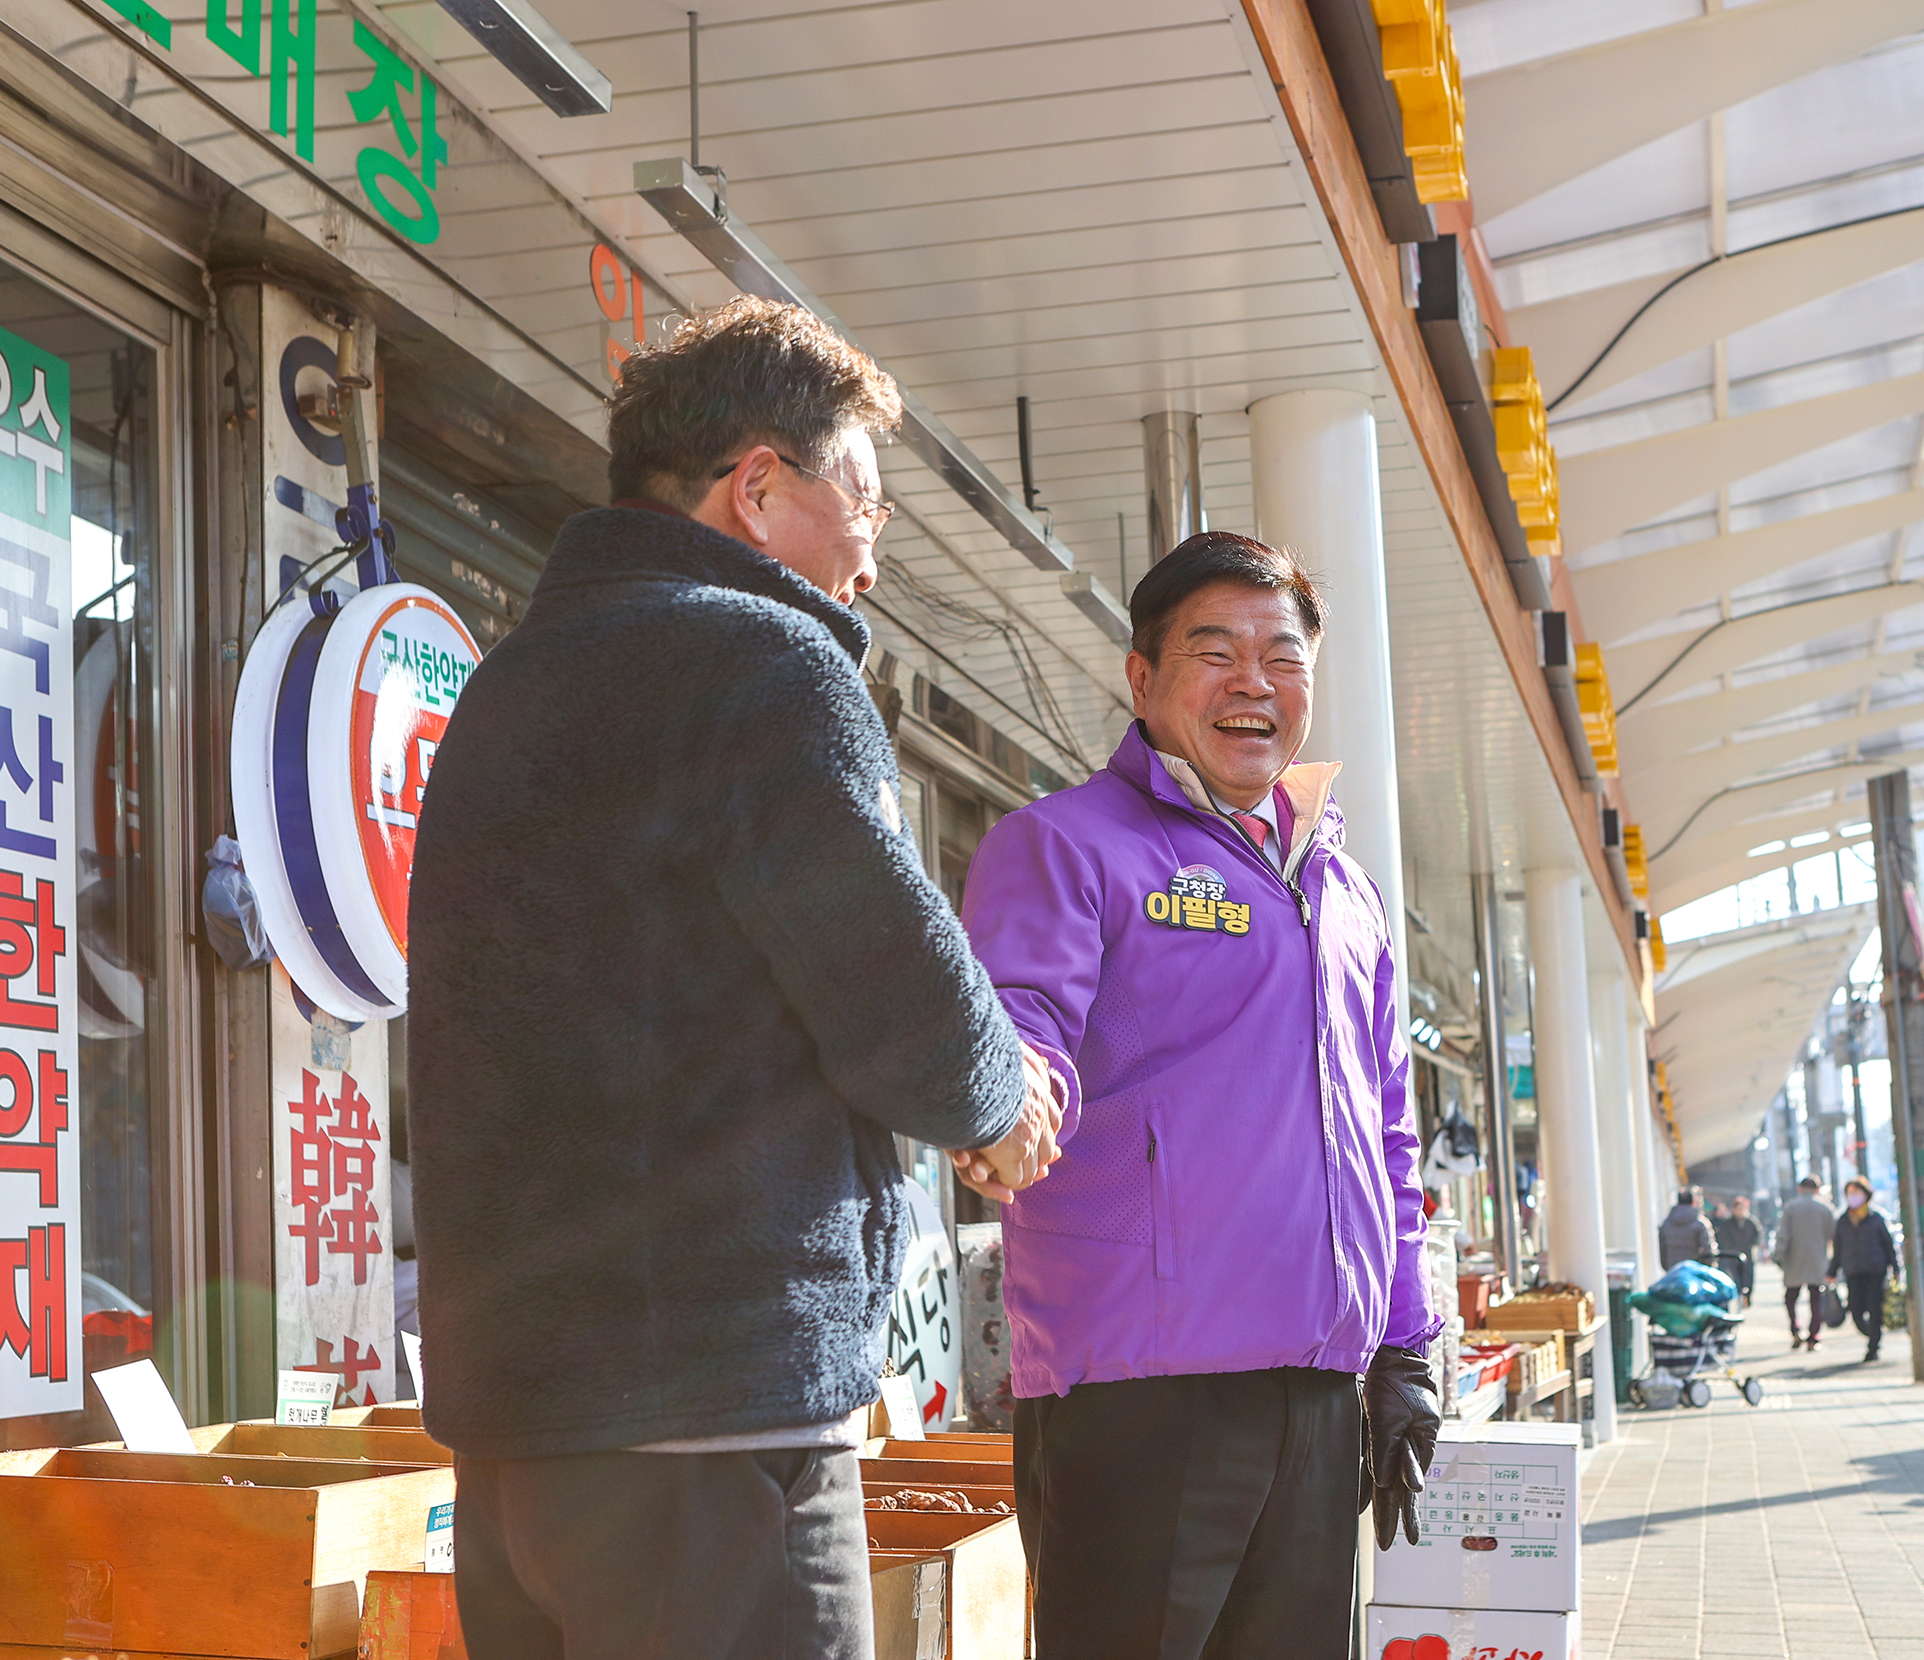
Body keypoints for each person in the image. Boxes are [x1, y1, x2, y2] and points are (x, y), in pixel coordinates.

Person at [407, 298, 1063, 1660]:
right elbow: (897, 990)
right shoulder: (760, 661)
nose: (868, 569)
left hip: (519, 1436)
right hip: (715, 1422)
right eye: (864, 516)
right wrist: (1004, 1102)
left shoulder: (510, 684)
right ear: (759, 489)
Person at [958, 531, 1441, 1659]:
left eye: (1282, 657)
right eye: (1213, 651)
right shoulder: (1067, 846)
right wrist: (1005, 1100)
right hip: (1140, 1397)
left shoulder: (1344, 886)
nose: (1251, 684)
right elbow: (1021, 1019)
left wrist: (1405, 1349)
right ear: (1142, 678)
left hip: (1322, 1394)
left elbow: (1386, 1134)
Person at [1829, 1179, 1898, 1364]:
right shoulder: (1842, 1221)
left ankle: (1873, 1346)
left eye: (1857, 1193)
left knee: (1874, 1307)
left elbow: (1888, 1245)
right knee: (1856, 1309)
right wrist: (1832, 1271)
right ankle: (1873, 1333)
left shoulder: (1876, 1218)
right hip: (1852, 1271)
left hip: (1875, 1270)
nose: (1853, 1197)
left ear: (1866, 1195)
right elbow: (1838, 1248)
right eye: (1850, 1193)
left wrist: (1896, 1268)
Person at [1773, 1176, 1838, 1350]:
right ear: (1817, 1189)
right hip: (1818, 1259)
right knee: (1817, 1299)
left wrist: (1779, 1256)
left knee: (1791, 1297)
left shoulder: (1791, 1207)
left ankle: (1795, 1328)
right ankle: (1813, 1336)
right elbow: (1834, 1235)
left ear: (1800, 1188)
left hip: (1794, 1259)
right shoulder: (1826, 1208)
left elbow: (1783, 1235)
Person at [1713, 1194, 1763, 1303]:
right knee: (1736, 1276)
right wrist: (1730, 1246)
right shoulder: (1727, 1223)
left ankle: (1747, 1296)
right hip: (1733, 1254)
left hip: (1748, 1253)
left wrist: (1752, 1244)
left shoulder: (1751, 1221)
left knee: (1748, 1276)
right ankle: (1740, 1295)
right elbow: (1722, 1237)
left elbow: (1758, 1235)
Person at [1659, 1187, 1717, 1270]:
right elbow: (1708, 1250)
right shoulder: (1700, 1222)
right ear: (1694, 1202)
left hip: (1673, 1271)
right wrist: (1708, 1267)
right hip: (1695, 1271)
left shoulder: (1666, 1223)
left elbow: (1663, 1251)